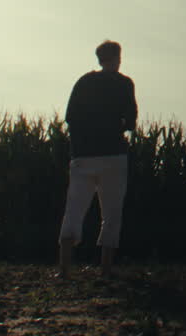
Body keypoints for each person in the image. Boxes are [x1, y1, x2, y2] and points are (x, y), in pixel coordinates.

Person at [58, 39, 137, 278]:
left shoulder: (84, 82)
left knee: (74, 209)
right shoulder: (124, 84)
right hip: (113, 155)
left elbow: (70, 116)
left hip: (83, 156)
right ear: (117, 58)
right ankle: (105, 269)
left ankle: (64, 269)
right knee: (112, 213)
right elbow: (131, 120)